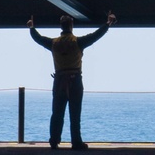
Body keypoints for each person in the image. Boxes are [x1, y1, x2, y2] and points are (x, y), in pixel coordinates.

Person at [28, 11, 116, 150]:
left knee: (57, 113)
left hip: (59, 81)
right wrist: (108, 23)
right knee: (75, 114)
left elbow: (38, 38)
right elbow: (96, 35)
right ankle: (76, 142)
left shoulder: (53, 43)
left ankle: (54, 141)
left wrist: (31, 27)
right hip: (75, 81)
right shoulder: (78, 42)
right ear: (72, 26)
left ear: (61, 26)